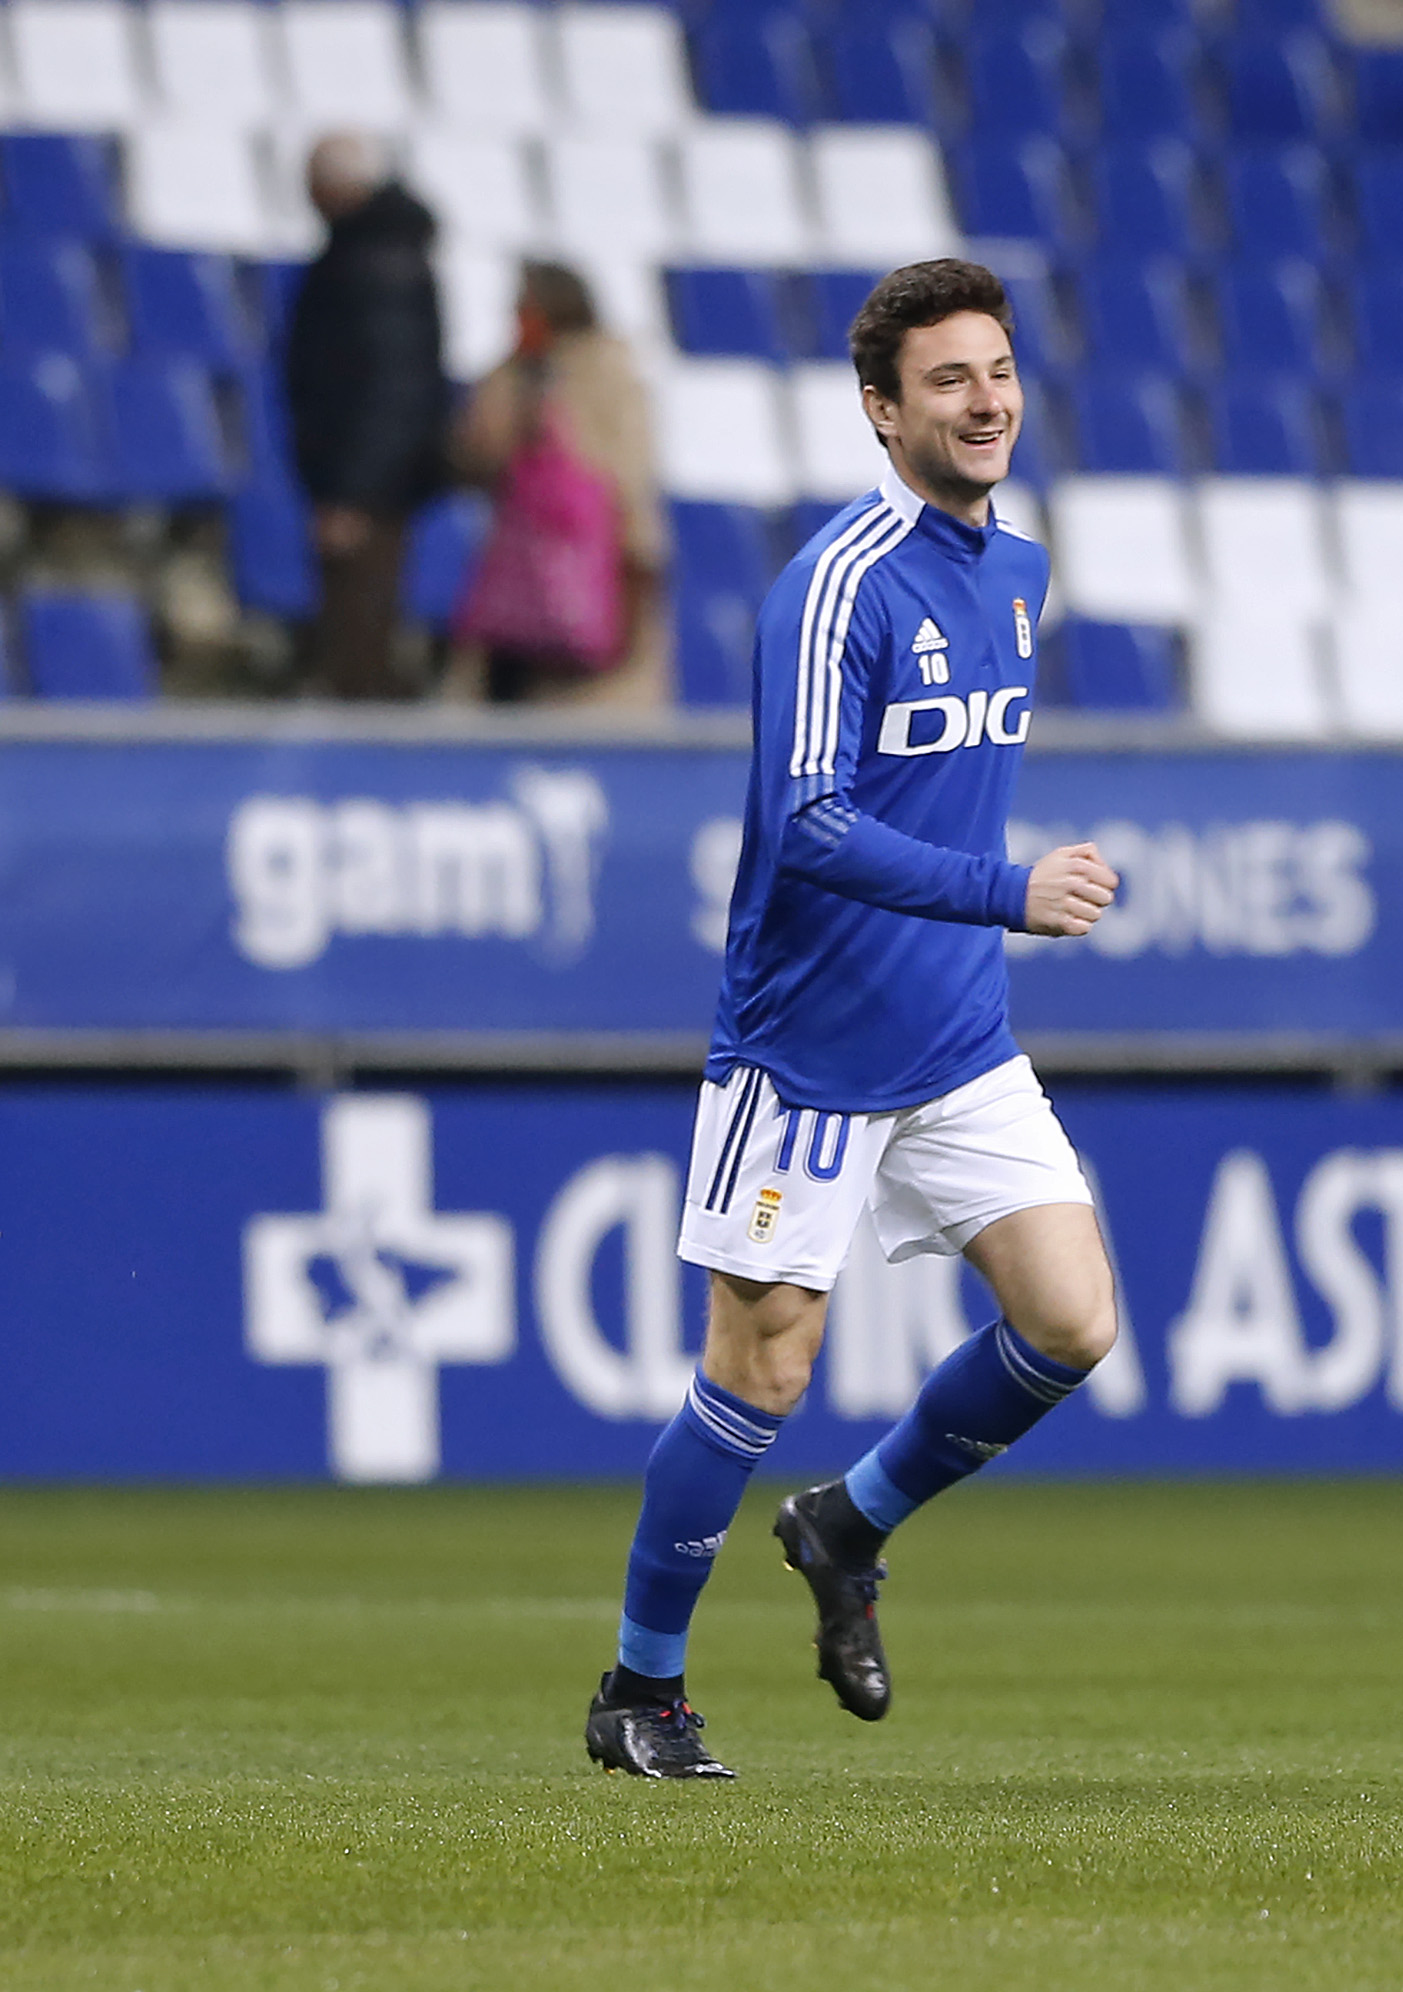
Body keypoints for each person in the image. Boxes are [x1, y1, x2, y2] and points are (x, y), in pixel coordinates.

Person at [585, 260, 1125, 1780]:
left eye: (1000, 370)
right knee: (759, 1370)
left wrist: (987, 911)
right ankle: (643, 1685)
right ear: (882, 412)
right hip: (809, 1045)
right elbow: (808, 821)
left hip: (956, 1038)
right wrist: (1007, 887)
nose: (987, 399)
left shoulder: (1020, 568)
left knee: (1074, 1320)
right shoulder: (836, 584)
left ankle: (848, 1521)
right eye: (947, 380)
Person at [447, 261, 668, 707]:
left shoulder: (606, 376)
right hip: (522, 568)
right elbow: (476, 453)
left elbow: (623, 475)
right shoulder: (517, 375)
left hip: (602, 559)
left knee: (597, 699)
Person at [281, 133, 448, 700]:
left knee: (360, 648)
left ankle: (362, 781)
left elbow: (390, 393)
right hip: (362, 485)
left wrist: (354, 493)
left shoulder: (376, 263)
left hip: (367, 494)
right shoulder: (369, 253)